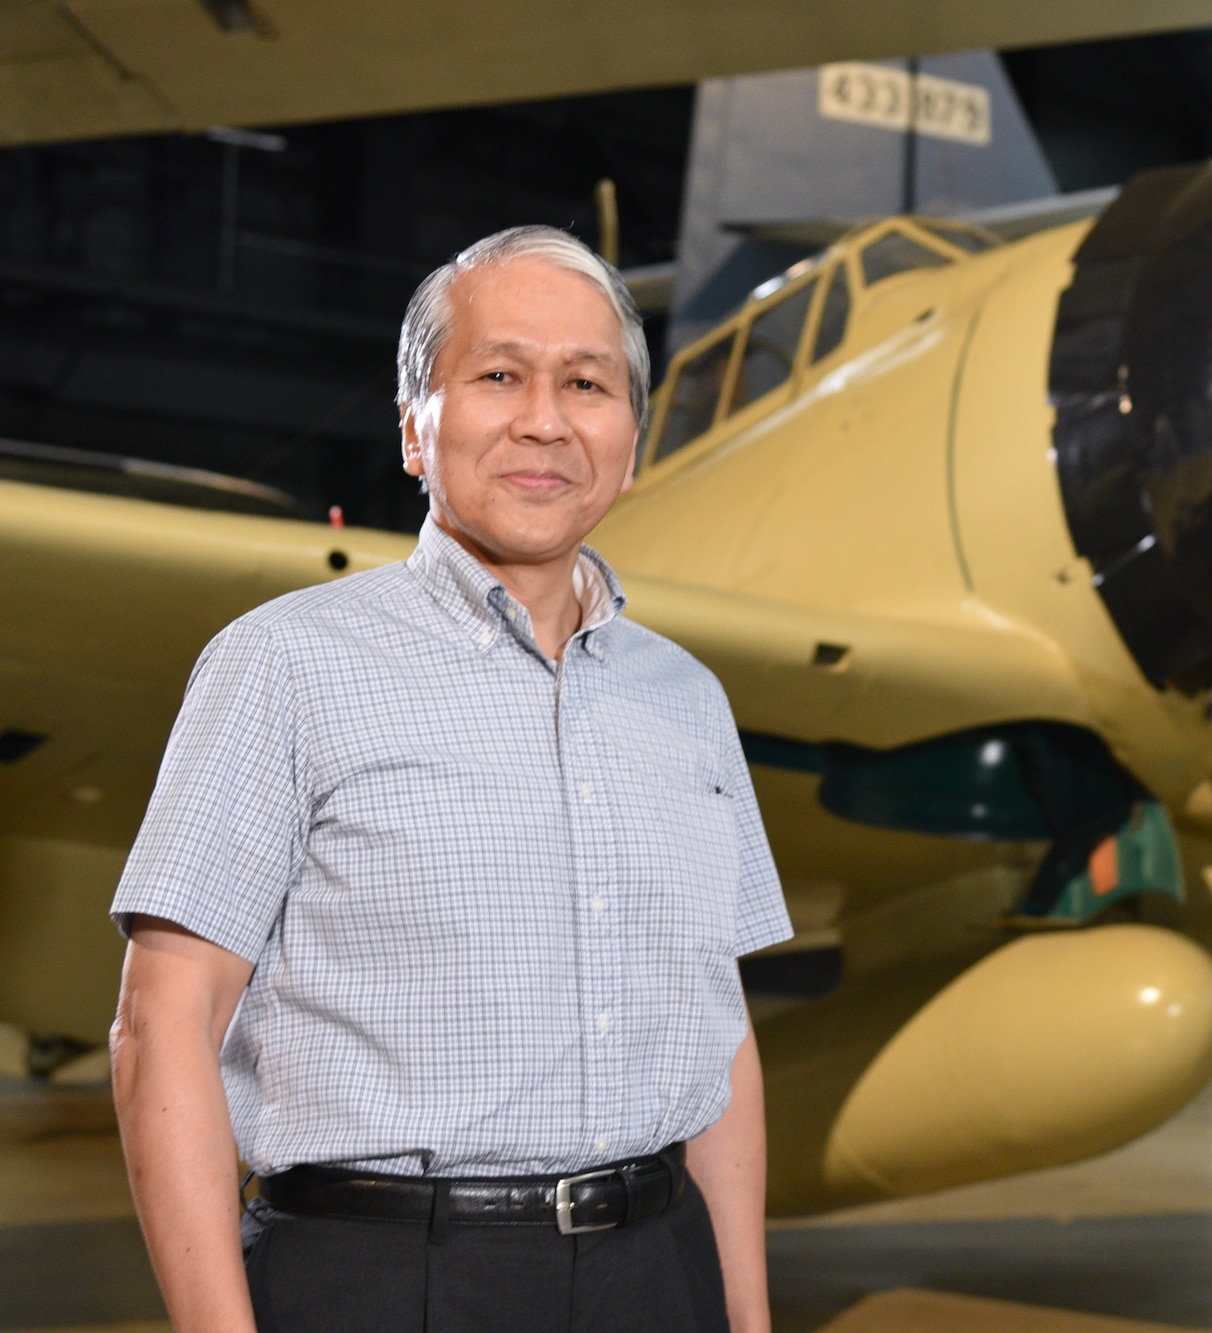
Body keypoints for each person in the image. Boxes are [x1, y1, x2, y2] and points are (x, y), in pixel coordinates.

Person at [107, 224, 792, 1333]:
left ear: (629, 434)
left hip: (658, 1273)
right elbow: (161, 1028)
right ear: (414, 428)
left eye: (586, 382)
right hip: (384, 1278)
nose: (544, 419)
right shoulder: (282, 663)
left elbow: (718, 1036)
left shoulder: (688, 700)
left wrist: (747, 1316)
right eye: (497, 375)